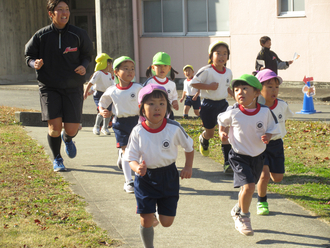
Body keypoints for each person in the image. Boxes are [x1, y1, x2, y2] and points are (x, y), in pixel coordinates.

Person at [24, 0, 94, 172]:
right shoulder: (41, 36)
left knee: (70, 129)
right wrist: (35, 64)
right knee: (54, 129)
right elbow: (28, 56)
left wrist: (84, 66)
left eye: (67, 9)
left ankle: (68, 139)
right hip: (49, 87)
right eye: (60, 9)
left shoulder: (78, 34)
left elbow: (88, 55)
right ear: (51, 13)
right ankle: (57, 158)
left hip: (73, 87)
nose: (65, 13)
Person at [124, 84, 194, 248]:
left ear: (167, 108)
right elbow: (131, 157)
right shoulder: (138, 131)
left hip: (168, 176)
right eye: (151, 104)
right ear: (141, 108)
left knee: (166, 222)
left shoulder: (174, 128)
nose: (157, 108)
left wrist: (188, 167)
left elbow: (189, 147)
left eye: (162, 104)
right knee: (146, 219)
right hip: (145, 178)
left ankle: (154, 214)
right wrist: (136, 168)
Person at [218, 74, 280, 236]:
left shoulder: (265, 112)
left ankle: (238, 209)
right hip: (239, 156)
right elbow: (221, 121)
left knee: (248, 189)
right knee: (249, 187)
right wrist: (222, 132)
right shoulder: (233, 111)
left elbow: (274, 127)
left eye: (245, 89)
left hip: (258, 156)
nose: (240, 92)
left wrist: (268, 135)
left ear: (256, 93)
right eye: (236, 89)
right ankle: (244, 218)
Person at [98, 56, 142, 193]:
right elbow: (102, 103)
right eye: (126, 69)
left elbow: (148, 101)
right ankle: (129, 181)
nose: (130, 72)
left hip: (138, 122)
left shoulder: (138, 88)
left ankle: (140, 177)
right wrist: (103, 112)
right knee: (126, 151)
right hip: (120, 123)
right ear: (116, 72)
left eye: (132, 69)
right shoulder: (112, 90)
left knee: (138, 152)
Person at [190, 41, 234, 172]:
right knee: (210, 133)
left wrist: (235, 96)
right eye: (218, 53)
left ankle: (227, 163)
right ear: (211, 55)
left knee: (225, 134)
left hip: (223, 105)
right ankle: (203, 138)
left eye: (225, 53)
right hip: (208, 105)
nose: (221, 56)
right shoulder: (206, 70)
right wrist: (208, 87)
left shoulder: (228, 72)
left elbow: (228, 86)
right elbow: (194, 83)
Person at [255, 69, 294, 215]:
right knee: (264, 175)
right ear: (259, 89)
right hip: (261, 145)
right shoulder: (255, 106)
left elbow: (285, 119)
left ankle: (266, 174)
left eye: (276, 87)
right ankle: (262, 201)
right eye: (269, 86)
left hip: (277, 145)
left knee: (277, 178)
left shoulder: (282, 105)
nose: (274, 90)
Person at [83, 53, 114, 136]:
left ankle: (105, 127)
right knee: (102, 110)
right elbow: (90, 83)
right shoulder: (98, 73)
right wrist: (86, 93)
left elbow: (113, 86)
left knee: (109, 112)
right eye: (110, 63)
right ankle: (96, 126)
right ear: (106, 63)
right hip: (99, 95)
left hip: (108, 95)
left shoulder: (109, 75)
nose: (111, 65)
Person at [144, 52, 179, 120]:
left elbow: (174, 96)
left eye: (165, 65)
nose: (162, 68)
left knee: (169, 129)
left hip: (168, 113)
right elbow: (143, 97)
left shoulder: (172, 84)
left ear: (169, 68)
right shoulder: (150, 82)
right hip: (154, 113)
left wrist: (175, 101)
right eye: (159, 65)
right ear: (153, 67)